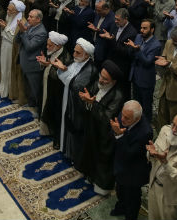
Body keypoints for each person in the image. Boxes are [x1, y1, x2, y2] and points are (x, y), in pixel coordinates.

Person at [78, 60, 125, 195]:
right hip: (91, 130)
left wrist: (92, 104)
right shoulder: (97, 84)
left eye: (105, 79)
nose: (101, 80)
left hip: (105, 137)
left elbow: (106, 119)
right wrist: (87, 102)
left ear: (113, 82)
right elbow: (87, 98)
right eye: (101, 76)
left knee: (102, 162)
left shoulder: (118, 96)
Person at [54, 38, 98, 165]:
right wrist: (63, 70)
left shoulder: (89, 69)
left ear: (87, 55)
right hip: (68, 99)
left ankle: (74, 155)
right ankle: (65, 148)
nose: (74, 55)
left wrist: (63, 70)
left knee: (75, 129)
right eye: (74, 51)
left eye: (78, 53)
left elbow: (75, 85)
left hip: (78, 106)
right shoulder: (75, 62)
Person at [110, 100, 153, 220]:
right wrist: (116, 133)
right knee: (120, 191)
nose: (122, 119)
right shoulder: (125, 114)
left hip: (133, 172)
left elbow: (130, 153)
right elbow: (114, 130)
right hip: (120, 165)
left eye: (127, 118)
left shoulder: (145, 132)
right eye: (122, 115)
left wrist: (119, 135)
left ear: (137, 118)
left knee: (132, 199)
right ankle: (121, 207)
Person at [36, 31, 71, 149]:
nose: (47, 47)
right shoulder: (52, 52)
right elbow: (49, 65)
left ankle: (56, 137)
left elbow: (60, 76)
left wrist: (49, 65)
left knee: (55, 113)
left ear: (58, 46)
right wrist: (45, 64)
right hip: (47, 86)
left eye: (50, 45)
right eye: (47, 44)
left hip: (56, 92)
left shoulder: (65, 56)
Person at [127, 19, 162, 120]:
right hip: (135, 76)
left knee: (146, 106)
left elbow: (147, 62)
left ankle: (146, 125)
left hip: (146, 80)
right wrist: (132, 48)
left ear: (152, 30)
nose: (141, 30)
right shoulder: (138, 37)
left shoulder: (156, 45)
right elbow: (132, 53)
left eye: (145, 28)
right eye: (141, 28)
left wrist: (137, 50)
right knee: (136, 103)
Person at [15, 9, 48, 113]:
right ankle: (31, 104)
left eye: (31, 17)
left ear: (38, 19)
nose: (28, 18)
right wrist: (21, 31)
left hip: (33, 65)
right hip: (25, 62)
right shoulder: (29, 26)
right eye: (28, 16)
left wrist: (23, 31)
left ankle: (38, 112)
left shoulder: (41, 32)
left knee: (36, 90)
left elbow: (29, 47)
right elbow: (17, 41)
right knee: (28, 87)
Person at [0, 0, 25, 98]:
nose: (8, 12)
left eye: (10, 10)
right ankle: (3, 89)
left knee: (9, 68)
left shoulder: (21, 22)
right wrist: (4, 27)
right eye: (8, 9)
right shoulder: (10, 17)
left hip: (12, 49)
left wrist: (5, 28)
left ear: (17, 11)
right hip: (5, 46)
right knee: (3, 67)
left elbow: (15, 39)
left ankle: (10, 91)